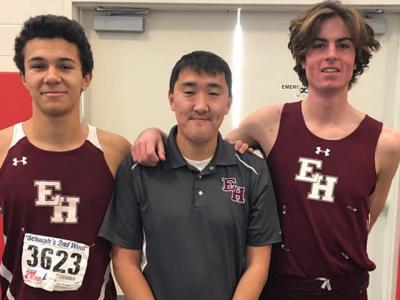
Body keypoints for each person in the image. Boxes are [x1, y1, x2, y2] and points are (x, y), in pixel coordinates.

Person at [130, 2, 400, 299]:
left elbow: (364, 221)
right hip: (277, 287)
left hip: (346, 289)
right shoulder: (268, 123)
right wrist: (152, 133)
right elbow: (204, 146)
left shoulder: (385, 143)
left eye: (344, 45)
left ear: (357, 55)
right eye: (319, 45)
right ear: (303, 56)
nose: (331, 54)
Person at [99, 50, 281, 300]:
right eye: (189, 92)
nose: (201, 105)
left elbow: (257, 264)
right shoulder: (139, 168)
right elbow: (124, 260)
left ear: (228, 103)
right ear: (171, 99)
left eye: (214, 93)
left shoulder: (253, 171)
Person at [0, 15, 130, 299]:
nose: (51, 76)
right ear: (23, 77)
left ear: (86, 77)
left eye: (65, 66)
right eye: (38, 66)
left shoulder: (115, 151)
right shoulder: (3, 147)